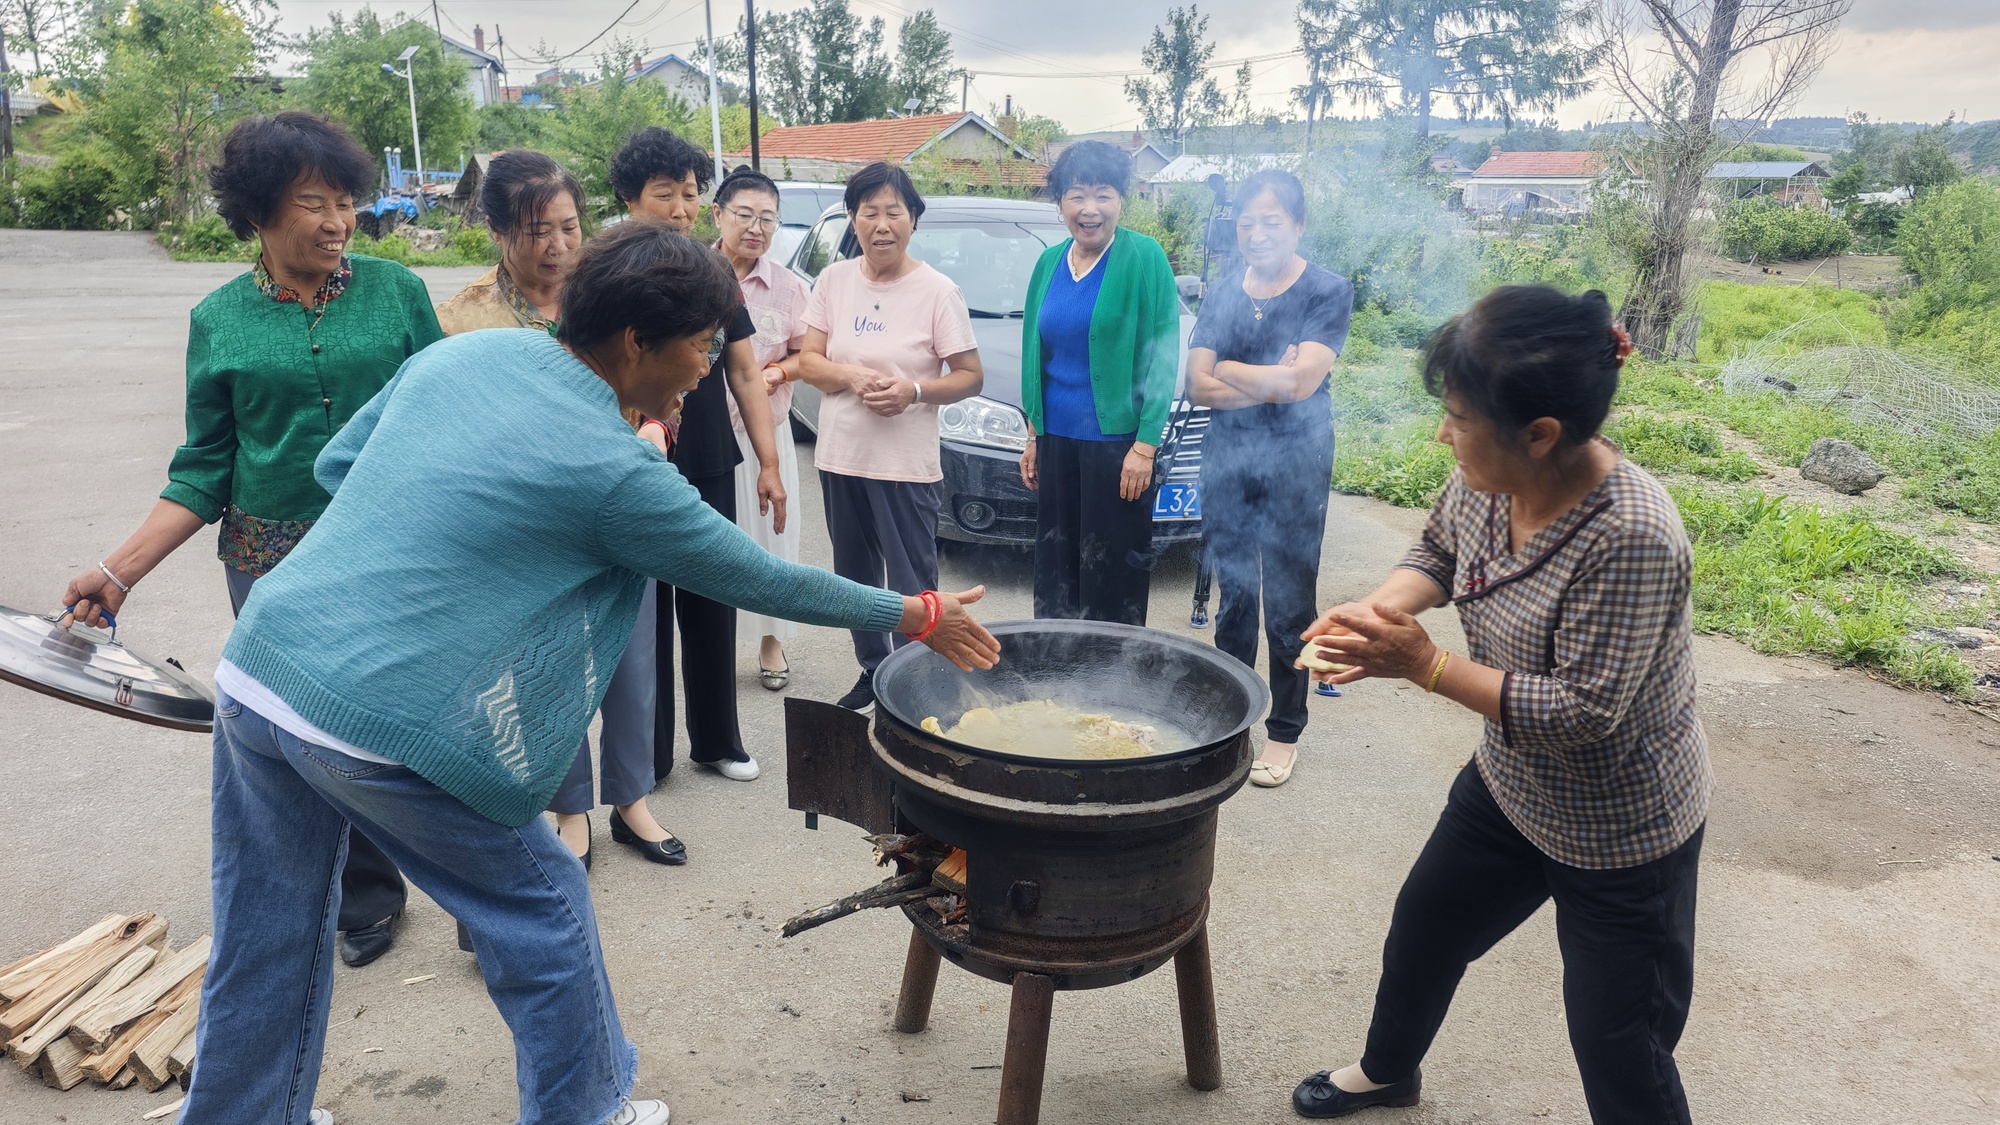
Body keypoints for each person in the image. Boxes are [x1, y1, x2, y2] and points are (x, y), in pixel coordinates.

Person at [58, 222, 1001, 1125]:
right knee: (543, 911)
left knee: (267, 924)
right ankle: (584, 1103)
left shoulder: (467, 356)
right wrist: (915, 612)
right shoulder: (615, 472)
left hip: (264, 672)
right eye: (702, 345)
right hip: (376, 722)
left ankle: (242, 1111)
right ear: (637, 340)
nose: (710, 366)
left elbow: (343, 463)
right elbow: (758, 575)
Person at [1286, 286, 1711, 1124]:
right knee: (1425, 930)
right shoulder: (1490, 474)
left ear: (1541, 433)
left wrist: (1423, 663)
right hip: (1513, 784)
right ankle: (1387, 1072)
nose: (1444, 434)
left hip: (1620, 825)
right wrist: (1380, 613)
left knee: (1617, 1039)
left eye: (1457, 417)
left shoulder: (1630, 534)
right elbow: (1439, 549)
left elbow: (1584, 711)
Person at [57, 110, 438, 970]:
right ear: (261, 211)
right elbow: (204, 466)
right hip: (269, 567)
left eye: (347, 201)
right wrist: (118, 572)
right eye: (315, 202)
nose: (339, 221)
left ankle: (404, 880)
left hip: (387, 550)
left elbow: (440, 412)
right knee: (297, 737)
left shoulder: (397, 293)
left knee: (382, 727)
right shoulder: (219, 318)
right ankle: (348, 897)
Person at [610, 126, 785, 783]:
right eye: (665, 194)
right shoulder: (609, 267)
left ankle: (717, 740)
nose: (681, 208)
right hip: (630, 459)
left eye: (690, 193)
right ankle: (646, 757)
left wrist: (768, 460)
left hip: (707, 452)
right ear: (630, 196)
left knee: (712, 593)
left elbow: (744, 371)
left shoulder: (715, 272)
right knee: (643, 610)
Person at [792, 161, 984, 711]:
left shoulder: (938, 291)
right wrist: (853, 376)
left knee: (911, 578)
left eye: (893, 212)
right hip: (841, 455)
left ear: (913, 221)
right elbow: (809, 362)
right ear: (853, 220)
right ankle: (872, 667)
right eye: (869, 212)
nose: (881, 224)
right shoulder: (833, 280)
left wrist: (914, 393)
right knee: (854, 577)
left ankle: (919, 681)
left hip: (904, 465)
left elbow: (970, 376)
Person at [1187, 168, 1352, 789]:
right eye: (1246, 222)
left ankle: (1284, 731)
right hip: (1227, 458)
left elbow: (1302, 382)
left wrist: (1230, 367)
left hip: (1296, 463)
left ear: (1299, 224)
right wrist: (1264, 380)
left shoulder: (1327, 291)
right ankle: (1232, 720)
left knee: (1288, 602)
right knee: (1235, 598)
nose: (1256, 233)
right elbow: (1196, 385)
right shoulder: (1226, 291)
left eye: (1271, 222)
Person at [1017, 140, 1181, 626]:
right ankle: (1057, 679)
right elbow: (1034, 352)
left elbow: (1163, 353)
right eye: (1076, 195)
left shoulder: (1144, 256)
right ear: (1060, 204)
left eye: (1103, 194)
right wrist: (1033, 434)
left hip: (1118, 449)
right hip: (1056, 444)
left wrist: (1146, 445)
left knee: (1113, 576)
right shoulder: (1049, 263)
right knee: (1056, 569)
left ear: (1121, 200)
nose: (1090, 209)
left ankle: (1115, 682)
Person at [713, 167, 812, 690]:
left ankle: (772, 642)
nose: (755, 227)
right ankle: (710, 643)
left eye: (767, 218)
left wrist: (777, 371)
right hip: (701, 435)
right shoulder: (690, 273)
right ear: (718, 215)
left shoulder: (789, 287)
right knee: (711, 540)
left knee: (773, 542)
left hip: (764, 436)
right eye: (744, 215)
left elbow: (806, 354)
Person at [434, 148, 582, 335]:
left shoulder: (604, 293)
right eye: (540, 232)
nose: (560, 247)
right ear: (495, 229)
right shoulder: (458, 323)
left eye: (569, 228)